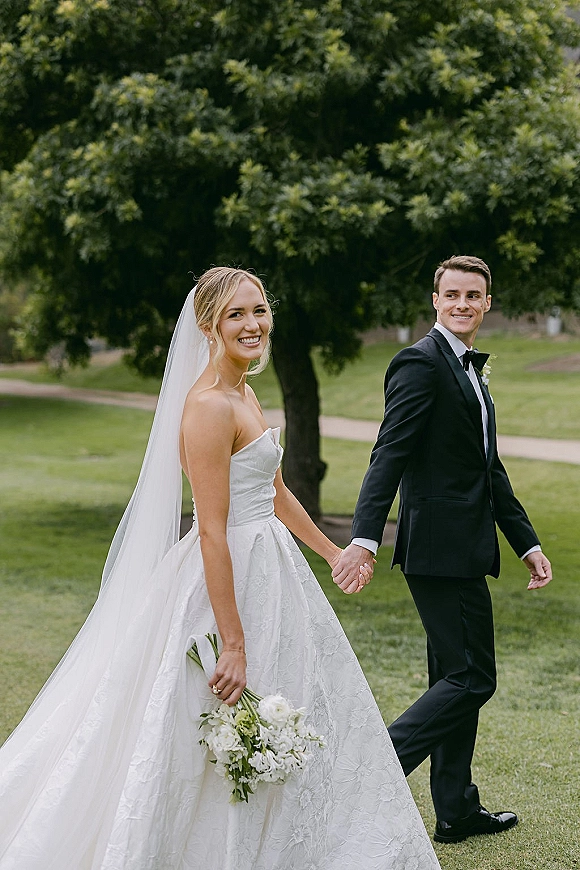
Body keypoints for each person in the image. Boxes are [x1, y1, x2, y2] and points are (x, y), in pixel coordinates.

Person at [0, 267, 440, 869]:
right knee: (206, 721)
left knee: (294, 707)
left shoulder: (244, 392)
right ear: (209, 326)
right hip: (227, 577)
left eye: (259, 310)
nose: (253, 324)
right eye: (236, 315)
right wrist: (232, 642)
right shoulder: (208, 406)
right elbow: (211, 529)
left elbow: (275, 488)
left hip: (275, 570)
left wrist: (332, 551)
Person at [332, 255, 552, 845]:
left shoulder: (471, 370)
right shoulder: (419, 363)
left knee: (452, 680)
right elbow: (389, 455)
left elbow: (490, 470)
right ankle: (369, 773)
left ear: (487, 303)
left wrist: (526, 541)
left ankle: (455, 811)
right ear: (436, 300)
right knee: (472, 679)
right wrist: (363, 538)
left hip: (466, 549)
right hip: (435, 551)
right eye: (451, 294)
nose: (461, 304)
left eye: (472, 295)